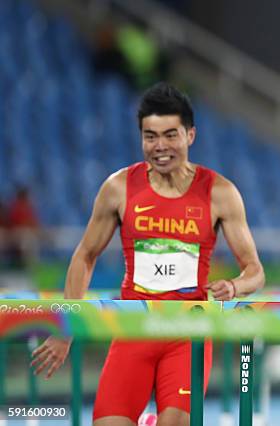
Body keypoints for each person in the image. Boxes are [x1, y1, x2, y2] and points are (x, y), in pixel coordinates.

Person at [31, 82, 265, 425]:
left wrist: (233, 287)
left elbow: (255, 271)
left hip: (188, 332)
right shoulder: (118, 188)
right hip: (134, 328)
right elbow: (85, 255)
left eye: (171, 135)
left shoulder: (220, 193)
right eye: (150, 136)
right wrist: (67, 328)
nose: (160, 147)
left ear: (191, 135)